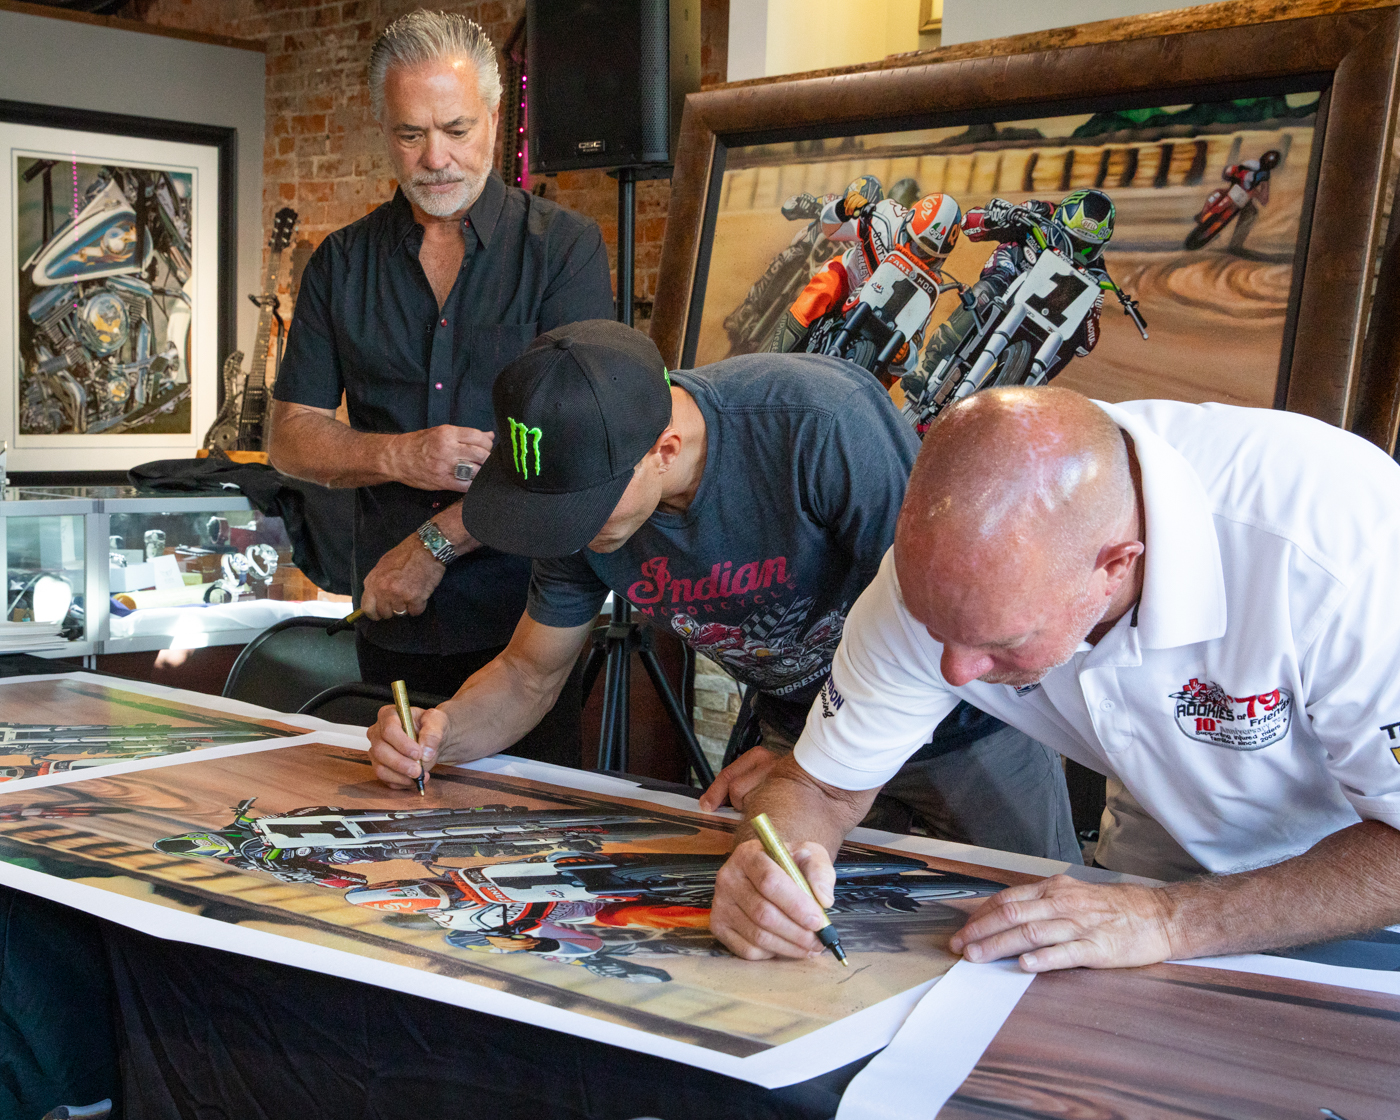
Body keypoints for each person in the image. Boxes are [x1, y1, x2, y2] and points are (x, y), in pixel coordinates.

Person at [709, 385, 1400, 973]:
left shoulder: (1341, 551)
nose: (956, 672)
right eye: (933, 631)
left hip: (1358, 870)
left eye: (999, 643)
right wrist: (767, 867)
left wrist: (1168, 922)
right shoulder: (940, 586)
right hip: (1159, 840)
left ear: (1115, 565)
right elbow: (818, 786)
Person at [366, 319, 1082, 863]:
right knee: (794, 929)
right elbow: (529, 673)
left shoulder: (816, 424)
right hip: (798, 733)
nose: (572, 534)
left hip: (955, 725)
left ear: (663, 451)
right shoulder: (583, 512)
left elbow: (945, 623)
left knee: (1033, 931)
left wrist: (819, 757)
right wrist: (442, 733)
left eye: (584, 511)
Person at [267, 12, 613, 766]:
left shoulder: (564, 250)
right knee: (397, 836)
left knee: (529, 838)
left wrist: (433, 544)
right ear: (382, 127)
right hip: (396, 621)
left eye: (457, 128)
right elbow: (289, 436)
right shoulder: (340, 263)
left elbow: (577, 453)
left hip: (532, 619)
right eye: (410, 134)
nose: (436, 159)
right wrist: (402, 455)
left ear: (496, 117)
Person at [905, 188, 1117, 398]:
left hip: (1044, 324)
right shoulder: (1039, 212)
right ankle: (927, 364)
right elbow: (969, 224)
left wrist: (1088, 315)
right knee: (985, 292)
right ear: (1059, 221)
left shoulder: (1097, 275)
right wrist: (995, 217)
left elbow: (1085, 346)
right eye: (1071, 240)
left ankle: (1021, 405)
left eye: (1088, 248)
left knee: (1067, 344)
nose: (1077, 253)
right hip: (1008, 277)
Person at [768, 176, 963, 374]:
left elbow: (914, 346)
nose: (920, 257)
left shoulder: (931, 285)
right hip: (849, 282)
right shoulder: (885, 214)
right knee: (827, 283)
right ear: (906, 225)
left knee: (890, 369)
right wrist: (842, 209)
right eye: (915, 246)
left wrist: (904, 354)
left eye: (932, 258)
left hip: (883, 322)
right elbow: (830, 230)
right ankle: (769, 362)